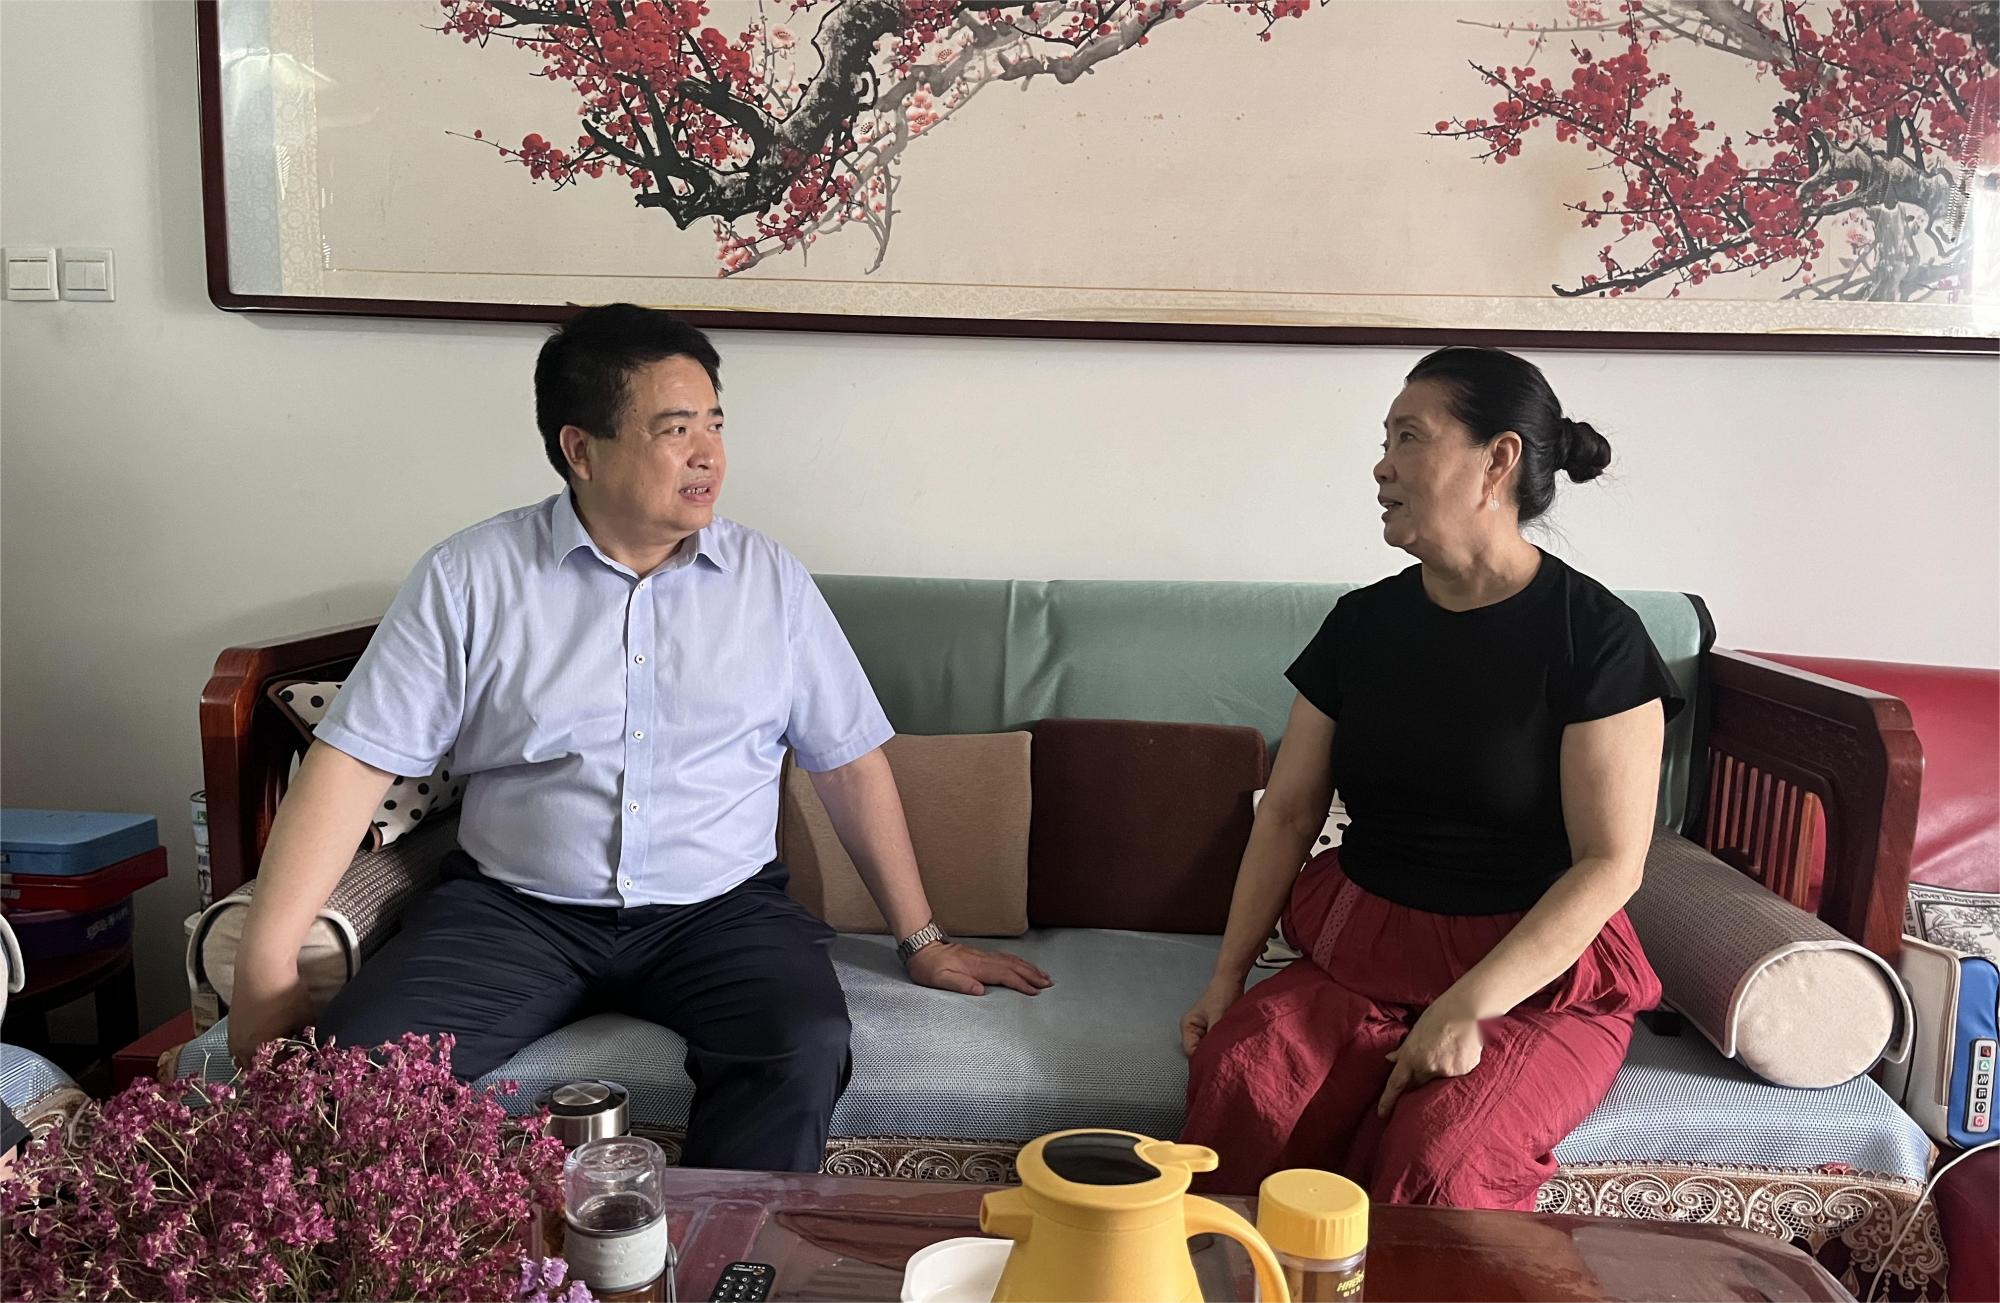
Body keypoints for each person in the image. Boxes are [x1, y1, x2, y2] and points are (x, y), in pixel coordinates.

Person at [226, 304, 1051, 1172]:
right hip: (515, 911)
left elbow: (849, 767)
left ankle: (720, 1248)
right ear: (581, 449)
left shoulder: (769, 583)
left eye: (715, 424)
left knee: (800, 1043)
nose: (708, 454)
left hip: (720, 911)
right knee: (353, 1074)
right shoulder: (470, 577)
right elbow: (354, 763)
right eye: (675, 428)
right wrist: (265, 965)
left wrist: (922, 940)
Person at [1179, 346, 1678, 1207]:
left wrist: (1469, 1006)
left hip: (1531, 979)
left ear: (1499, 459)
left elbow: (1611, 862)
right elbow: (1289, 813)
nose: (1382, 466)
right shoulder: (1361, 625)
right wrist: (1227, 978)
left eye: (1409, 437)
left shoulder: (1596, 638)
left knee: (1440, 1163)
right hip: (1366, 949)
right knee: (1242, 1086)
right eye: (1385, 441)